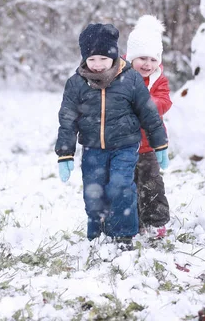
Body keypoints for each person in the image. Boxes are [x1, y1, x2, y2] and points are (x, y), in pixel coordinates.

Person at [55, 23, 169, 250]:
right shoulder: (76, 83)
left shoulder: (130, 79)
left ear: (114, 56)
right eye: (92, 59)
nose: (97, 65)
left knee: (120, 187)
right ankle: (98, 233)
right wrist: (65, 153)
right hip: (92, 148)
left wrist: (160, 144)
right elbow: (67, 120)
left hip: (125, 146)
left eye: (103, 59)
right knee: (93, 192)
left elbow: (148, 113)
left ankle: (124, 235)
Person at [125, 15, 172, 238]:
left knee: (152, 184)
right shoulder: (120, 77)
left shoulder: (158, 80)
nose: (147, 64)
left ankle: (156, 221)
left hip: (148, 145)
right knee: (126, 187)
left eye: (153, 60)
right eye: (142, 58)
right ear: (131, 57)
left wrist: (147, 104)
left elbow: (165, 100)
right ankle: (132, 221)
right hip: (122, 145)